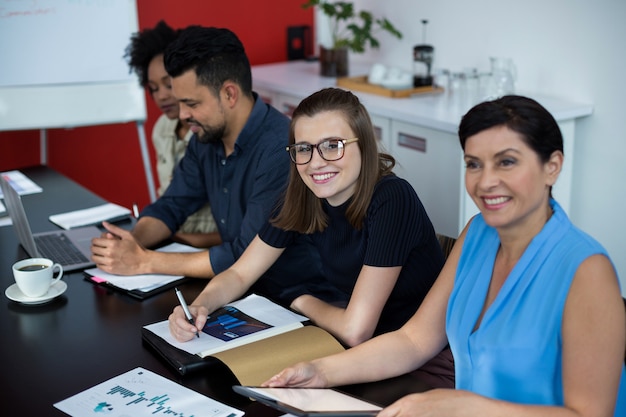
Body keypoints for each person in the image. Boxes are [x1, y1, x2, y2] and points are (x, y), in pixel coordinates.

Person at [263, 95, 626, 417]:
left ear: (553, 166)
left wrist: (465, 407)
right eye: (474, 164)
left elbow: (590, 413)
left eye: (507, 162)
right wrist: (320, 371)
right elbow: (414, 341)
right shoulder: (477, 234)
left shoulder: (586, 270)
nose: (486, 182)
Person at [169, 88, 448, 361]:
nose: (316, 163)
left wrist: (301, 300)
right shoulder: (304, 194)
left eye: (332, 146)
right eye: (304, 149)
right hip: (367, 349)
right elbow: (240, 274)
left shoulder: (392, 198)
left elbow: (356, 330)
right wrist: (199, 306)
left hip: (418, 354)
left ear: (363, 143)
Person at [91, 26, 324, 299]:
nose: (182, 114)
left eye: (191, 103)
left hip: (293, 300)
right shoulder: (204, 138)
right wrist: (131, 242)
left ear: (229, 94)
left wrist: (143, 261)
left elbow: (242, 254)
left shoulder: (279, 149)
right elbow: (172, 204)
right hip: (238, 292)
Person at [125, 20, 218, 248]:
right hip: (171, 241)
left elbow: (237, 235)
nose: (162, 96)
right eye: (154, 88)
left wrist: (170, 240)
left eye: (168, 85)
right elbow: (169, 202)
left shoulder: (211, 131)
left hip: (207, 249)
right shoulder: (161, 129)